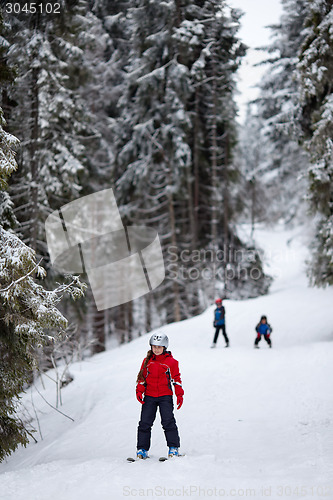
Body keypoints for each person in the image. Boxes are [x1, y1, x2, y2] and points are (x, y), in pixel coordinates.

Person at [135, 332, 184, 459]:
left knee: (168, 421)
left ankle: (173, 448)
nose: (156, 349)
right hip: (149, 396)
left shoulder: (171, 362)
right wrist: (139, 390)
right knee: (145, 423)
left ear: (164, 347)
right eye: (154, 347)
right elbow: (142, 378)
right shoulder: (146, 361)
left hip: (165, 396)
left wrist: (179, 395)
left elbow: (176, 380)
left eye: (159, 347)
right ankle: (142, 449)